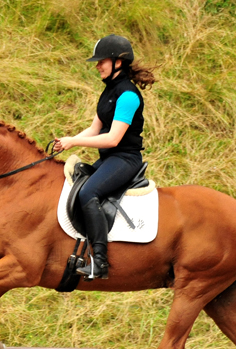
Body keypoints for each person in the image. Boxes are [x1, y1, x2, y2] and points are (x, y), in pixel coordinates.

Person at [54, 34, 155, 280]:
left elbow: (112, 139)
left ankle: (100, 262)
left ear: (118, 63)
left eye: (102, 61)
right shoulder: (109, 91)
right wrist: (67, 141)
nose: (97, 65)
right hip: (109, 159)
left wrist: (74, 141)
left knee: (90, 193)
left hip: (124, 159)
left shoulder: (128, 96)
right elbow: (94, 129)